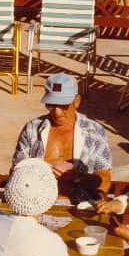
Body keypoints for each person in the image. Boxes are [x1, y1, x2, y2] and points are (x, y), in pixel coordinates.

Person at [12, 73, 112, 205]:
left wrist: (78, 177)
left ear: (77, 101)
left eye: (63, 105)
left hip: (81, 204)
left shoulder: (94, 131)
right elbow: (15, 171)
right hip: (34, 203)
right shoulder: (32, 128)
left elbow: (105, 182)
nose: (57, 112)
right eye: (51, 105)